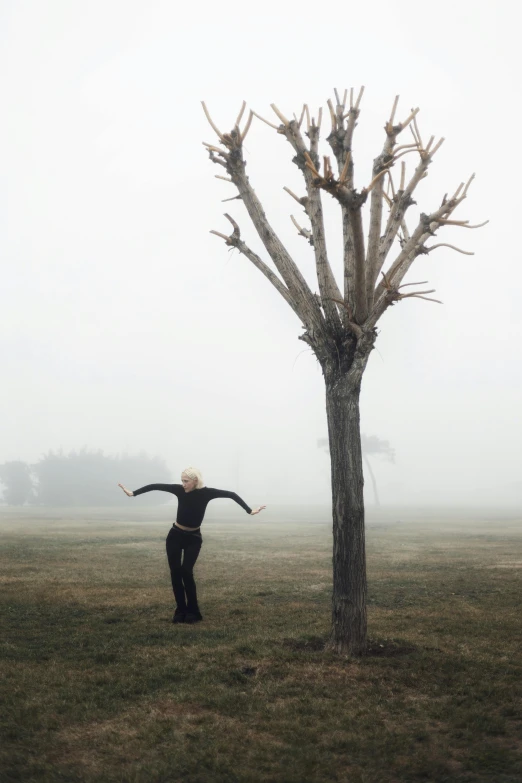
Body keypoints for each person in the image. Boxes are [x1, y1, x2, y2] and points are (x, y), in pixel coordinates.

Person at [118, 467, 265, 624]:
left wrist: (250, 511)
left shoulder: (206, 493)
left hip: (194, 537)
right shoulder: (179, 490)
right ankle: (180, 610)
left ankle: (193, 611)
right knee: (175, 573)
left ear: (195, 481)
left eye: (186, 481)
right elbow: (155, 486)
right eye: (182, 481)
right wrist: (133, 493)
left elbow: (231, 495)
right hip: (175, 536)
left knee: (186, 571)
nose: (183, 484)